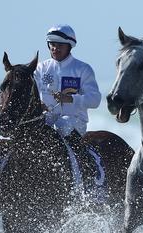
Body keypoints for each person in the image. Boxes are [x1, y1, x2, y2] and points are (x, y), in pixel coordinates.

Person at [34, 24, 101, 188]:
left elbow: (95, 100)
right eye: (52, 44)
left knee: (62, 125)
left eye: (60, 45)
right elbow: (32, 94)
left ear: (69, 46)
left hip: (74, 122)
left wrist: (71, 99)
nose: (55, 48)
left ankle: (88, 171)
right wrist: (38, 105)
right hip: (47, 120)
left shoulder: (82, 69)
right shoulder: (41, 68)